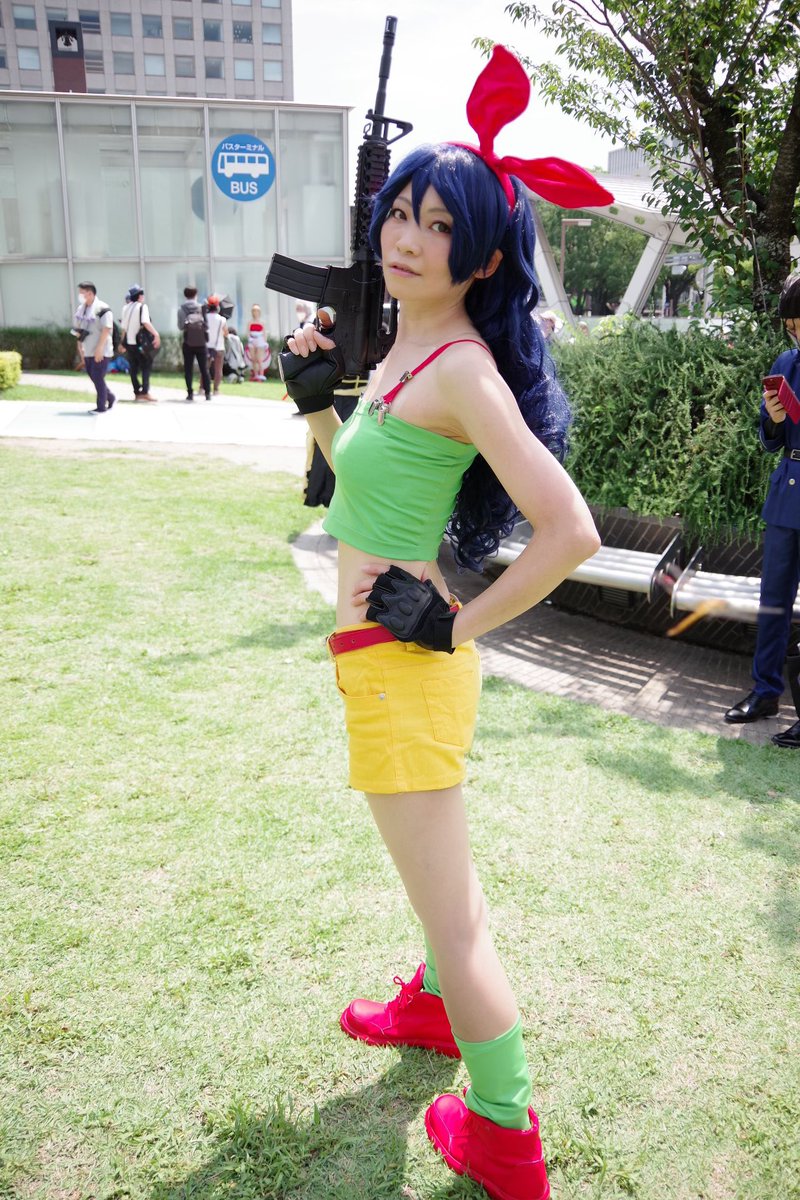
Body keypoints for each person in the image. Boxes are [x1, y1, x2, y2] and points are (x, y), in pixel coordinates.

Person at [282, 46, 611, 1200]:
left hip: (406, 665)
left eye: (436, 225)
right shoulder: (405, 346)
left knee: (457, 915)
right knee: (434, 886)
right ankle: (428, 1008)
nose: (406, 238)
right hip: (376, 657)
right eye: (399, 214)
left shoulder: (462, 366)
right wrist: (318, 414)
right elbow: (366, 506)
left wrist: (455, 625)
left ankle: (505, 1133)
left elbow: (568, 531)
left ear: (481, 256)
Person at [725, 273, 800, 744]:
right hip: (787, 492)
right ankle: (765, 691)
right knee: (772, 601)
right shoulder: (786, 363)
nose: (796, 333)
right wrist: (773, 421)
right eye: (791, 326)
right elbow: (769, 438)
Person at [71, 280, 117, 413]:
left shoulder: (103, 308)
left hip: (101, 350)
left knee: (97, 377)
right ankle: (111, 397)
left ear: (90, 294)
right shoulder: (81, 309)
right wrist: (80, 346)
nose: (80, 296)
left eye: (82, 293)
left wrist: (99, 348)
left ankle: (101, 406)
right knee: (94, 377)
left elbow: (107, 329)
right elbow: (79, 329)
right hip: (88, 349)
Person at [121, 284, 160, 401]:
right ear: (139, 296)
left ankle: (137, 392)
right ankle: (145, 392)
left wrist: (121, 343)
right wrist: (156, 334)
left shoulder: (125, 308)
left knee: (133, 368)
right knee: (146, 366)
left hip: (129, 343)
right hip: (139, 344)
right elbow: (146, 322)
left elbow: (124, 328)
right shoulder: (142, 307)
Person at [177, 285, 211, 402]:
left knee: (188, 369)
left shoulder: (181, 309)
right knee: (204, 369)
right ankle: (207, 393)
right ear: (196, 295)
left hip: (188, 342)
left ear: (185, 295)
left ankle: (190, 393)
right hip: (201, 342)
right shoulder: (201, 307)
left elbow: (180, 326)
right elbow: (206, 326)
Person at [205, 294, 229, 395]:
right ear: (217, 306)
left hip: (206, 346)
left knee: (205, 368)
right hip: (219, 347)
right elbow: (226, 333)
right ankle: (216, 390)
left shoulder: (205, 317)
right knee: (218, 370)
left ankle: (202, 388)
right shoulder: (222, 319)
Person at [247, 303, 270, 381]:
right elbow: (248, 332)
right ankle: (256, 375)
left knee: (260, 359)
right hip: (252, 340)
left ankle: (261, 375)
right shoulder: (250, 322)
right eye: (254, 311)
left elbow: (264, 333)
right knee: (253, 359)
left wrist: (265, 342)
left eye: (257, 311)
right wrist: (250, 339)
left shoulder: (262, 322)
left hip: (260, 341)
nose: (255, 312)